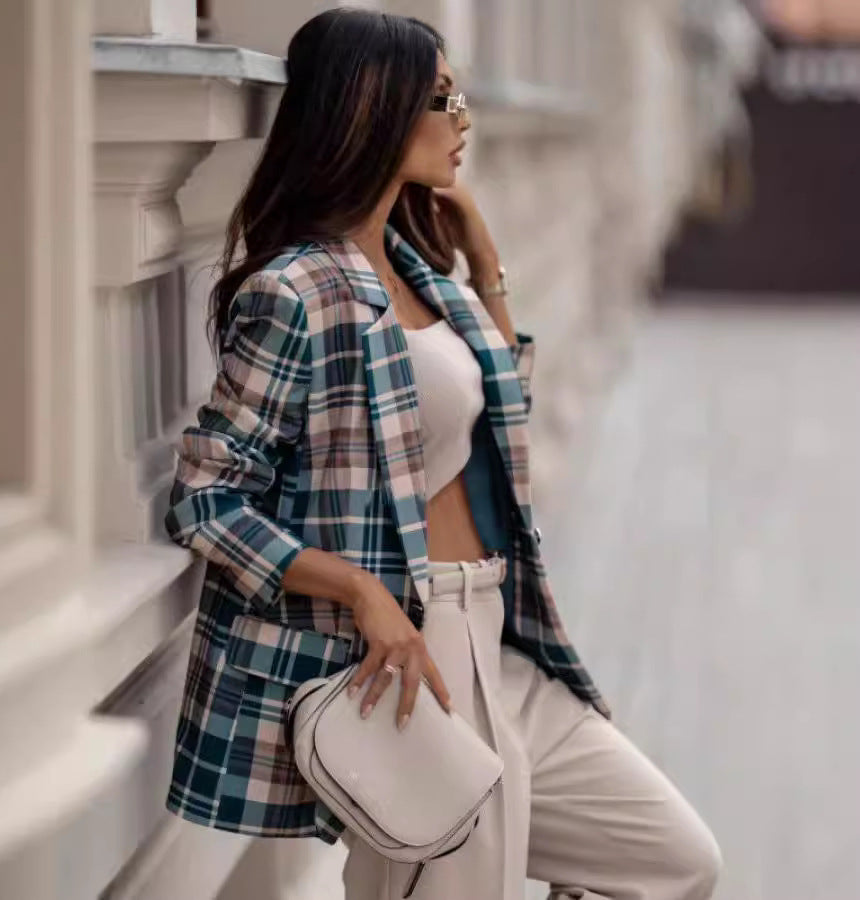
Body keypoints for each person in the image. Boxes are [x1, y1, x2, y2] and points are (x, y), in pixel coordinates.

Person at [163, 8, 722, 899]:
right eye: (439, 97)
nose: (463, 117)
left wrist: (485, 261)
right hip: (413, 658)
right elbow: (206, 496)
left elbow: (501, 419)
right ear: (367, 109)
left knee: (675, 862)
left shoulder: (425, 278)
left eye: (460, 94)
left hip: (499, 638)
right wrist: (358, 590)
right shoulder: (297, 291)